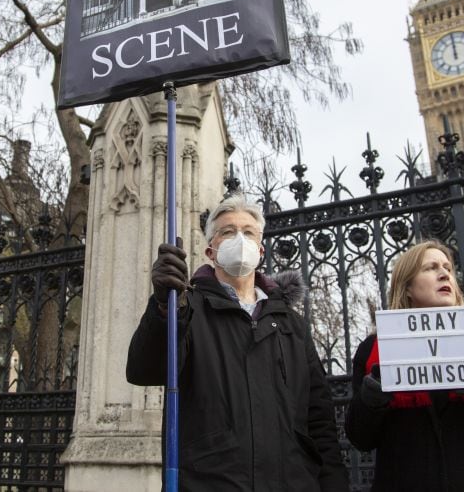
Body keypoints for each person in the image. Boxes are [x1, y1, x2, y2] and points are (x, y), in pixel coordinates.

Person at [126, 194, 349, 491]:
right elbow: (143, 369)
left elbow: (319, 417)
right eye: (228, 232)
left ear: (261, 249)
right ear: (210, 250)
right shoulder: (186, 310)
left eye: (248, 232)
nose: (239, 239)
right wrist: (163, 306)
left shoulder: (290, 324)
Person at [345, 240, 464, 491]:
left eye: (447, 268)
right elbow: (360, 438)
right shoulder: (373, 351)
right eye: (431, 268)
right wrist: (371, 400)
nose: (444, 273)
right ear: (408, 287)